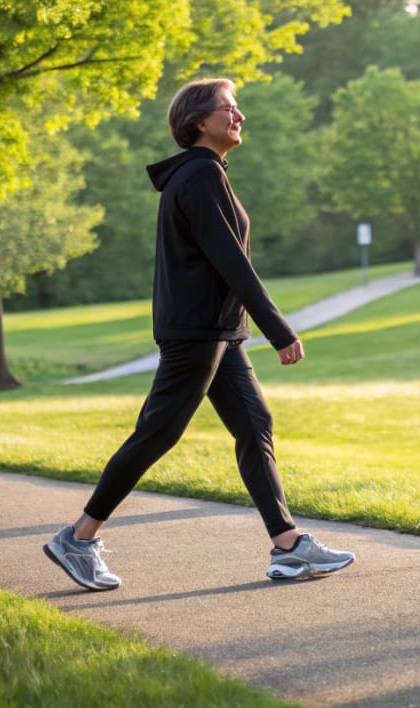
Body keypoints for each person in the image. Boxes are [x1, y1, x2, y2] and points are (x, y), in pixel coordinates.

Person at [43, 77, 354, 591]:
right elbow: (230, 260)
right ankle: (78, 537)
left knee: (255, 427)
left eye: (237, 109)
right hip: (197, 332)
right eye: (229, 109)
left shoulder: (204, 174)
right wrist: (278, 329)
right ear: (198, 122)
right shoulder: (200, 176)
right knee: (158, 432)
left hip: (219, 332)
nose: (240, 117)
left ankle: (288, 547)